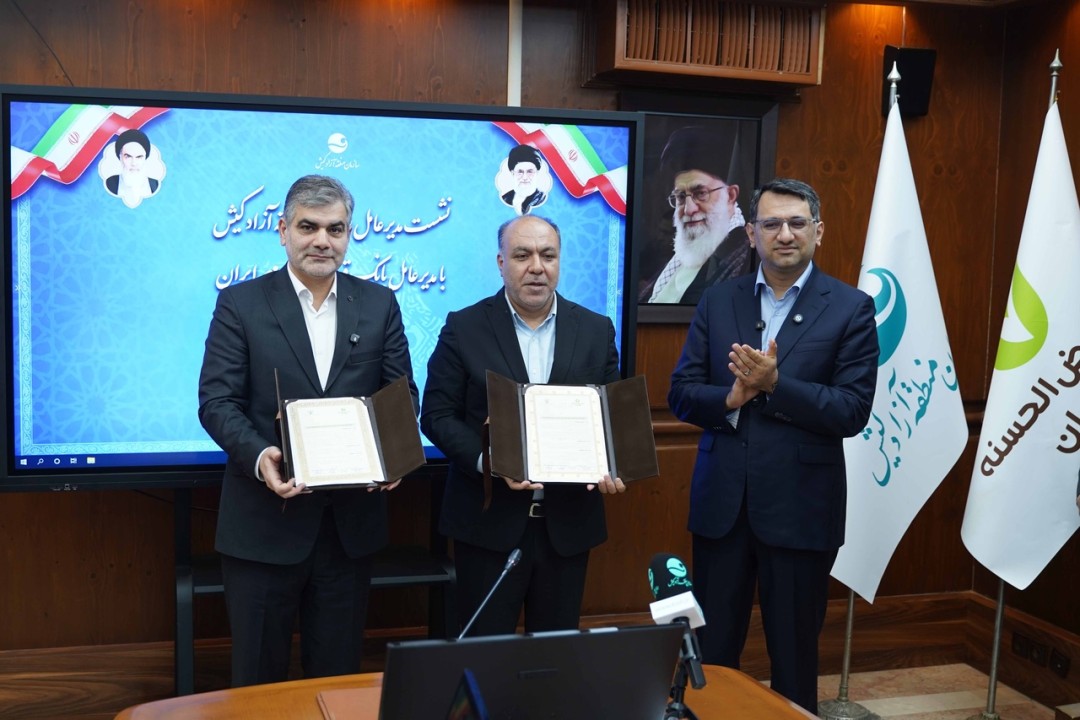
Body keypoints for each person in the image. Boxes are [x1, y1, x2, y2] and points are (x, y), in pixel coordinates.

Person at [667, 178, 878, 713]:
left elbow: (851, 410)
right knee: (711, 660)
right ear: (750, 233)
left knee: (794, 660)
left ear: (818, 231)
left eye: (797, 223)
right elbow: (681, 394)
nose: (785, 234)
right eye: (771, 224)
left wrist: (776, 385)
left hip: (801, 510)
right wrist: (731, 397)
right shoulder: (718, 300)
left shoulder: (851, 308)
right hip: (722, 509)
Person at [198, 174, 418, 687]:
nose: (323, 240)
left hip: (348, 532)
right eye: (308, 227)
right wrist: (261, 456)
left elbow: (402, 396)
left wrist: (392, 452)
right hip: (263, 527)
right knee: (258, 686)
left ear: (348, 235)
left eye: (335, 229)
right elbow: (217, 402)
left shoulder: (379, 303)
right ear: (283, 232)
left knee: (336, 685)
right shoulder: (240, 303)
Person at [421, 214, 625, 637]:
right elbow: (436, 414)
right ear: (501, 263)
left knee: (555, 656)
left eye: (548, 255)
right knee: (482, 656)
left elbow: (611, 419)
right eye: (522, 255)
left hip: (568, 526)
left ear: (559, 261)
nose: (537, 267)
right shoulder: (464, 327)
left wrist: (612, 462)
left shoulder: (595, 329)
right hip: (486, 525)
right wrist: (488, 461)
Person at [641, 125, 756, 304]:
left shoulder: (745, 257)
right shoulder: (681, 258)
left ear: (731, 195)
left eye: (701, 193)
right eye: (681, 197)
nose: (689, 209)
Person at [103, 128, 162, 208]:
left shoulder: (155, 185)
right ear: (120, 157)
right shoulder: (110, 184)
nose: (134, 163)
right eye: (128, 157)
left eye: (139, 157)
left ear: (145, 158)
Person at [499, 145, 548, 215]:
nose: (525, 177)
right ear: (513, 173)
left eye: (530, 172)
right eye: (520, 172)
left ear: (537, 173)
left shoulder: (541, 198)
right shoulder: (506, 198)